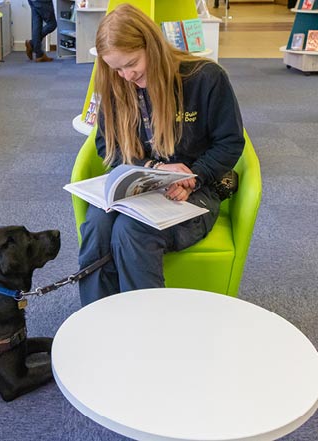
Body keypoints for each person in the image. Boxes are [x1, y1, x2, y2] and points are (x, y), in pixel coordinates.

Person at [77, 4, 244, 307]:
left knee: (132, 232)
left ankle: (149, 330)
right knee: (97, 227)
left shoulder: (205, 78)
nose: (127, 75)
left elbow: (230, 142)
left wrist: (193, 176)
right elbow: (107, 147)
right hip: (141, 188)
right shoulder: (115, 85)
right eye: (116, 68)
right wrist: (151, 168)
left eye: (131, 63)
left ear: (151, 46)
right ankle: (97, 320)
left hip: (197, 190)